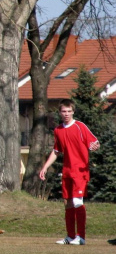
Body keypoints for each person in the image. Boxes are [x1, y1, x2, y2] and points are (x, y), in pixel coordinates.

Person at [39, 99, 100, 245]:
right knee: (67, 203)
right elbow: (56, 151)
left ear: (73, 111)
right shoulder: (58, 130)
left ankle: (81, 237)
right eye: (63, 111)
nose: (66, 114)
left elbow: (94, 142)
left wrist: (95, 145)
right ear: (60, 113)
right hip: (67, 170)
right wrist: (45, 167)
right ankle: (70, 236)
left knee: (78, 202)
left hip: (80, 170)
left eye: (69, 111)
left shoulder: (80, 126)